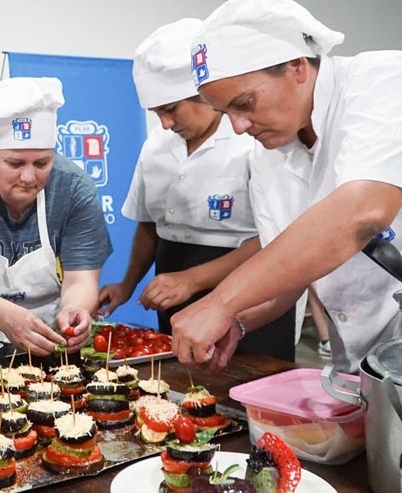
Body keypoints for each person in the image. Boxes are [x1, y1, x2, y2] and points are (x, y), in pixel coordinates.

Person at [171, 0, 402, 372]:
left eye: (245, 104)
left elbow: (361, 214)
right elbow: (285, 276)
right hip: (368, 362)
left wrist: (220, 303)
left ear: (297, 67)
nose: (238, 126)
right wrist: (235, 321)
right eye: (225, 112)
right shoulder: (268, 155)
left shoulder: (388, 80)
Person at [98, 18, 296, 360]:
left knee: (245, 384)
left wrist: (193, 279)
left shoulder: (252, 141)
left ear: (202, 95)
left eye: (171, 109)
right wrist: (127, 285)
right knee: (178, 384)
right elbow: (150, 226)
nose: (165, 123)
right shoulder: (156, 147)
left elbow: (276, 238)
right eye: (156, 112)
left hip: (251, 290)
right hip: (173, 283)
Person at [0, 77, 112, 356]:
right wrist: (7, 317)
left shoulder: (74, 190)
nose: (29, 177)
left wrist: (75, 309)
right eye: (15, 163)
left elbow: (80, 280)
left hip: (52, 341)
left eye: (42, 163)